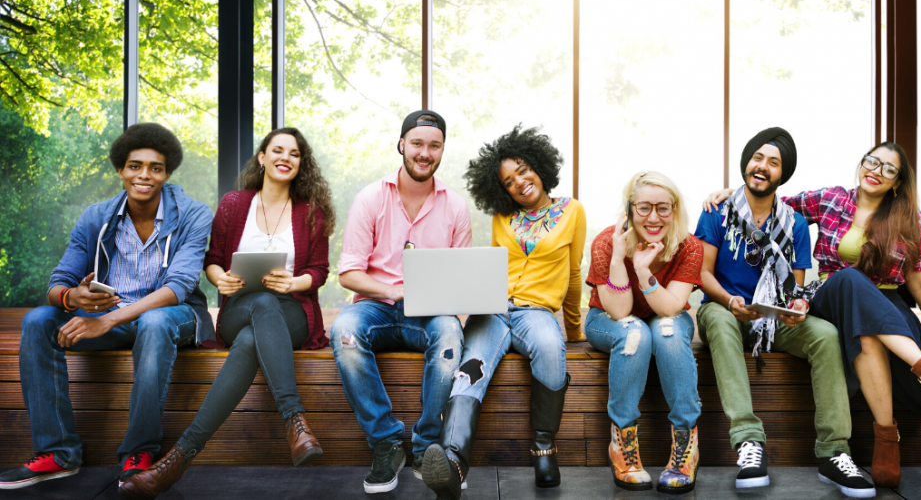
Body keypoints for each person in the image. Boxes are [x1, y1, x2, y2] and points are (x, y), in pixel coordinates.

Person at [704, 142, 921, 488]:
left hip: (885, 308)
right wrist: (736, 191)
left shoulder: (910, 220)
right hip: (830, 296)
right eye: (871, 162)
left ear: (897, 182)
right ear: (861, 164)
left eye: (888, 169)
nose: (875, 172)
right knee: (849, 278)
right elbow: (770, 203)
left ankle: (885, 438)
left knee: (865, 332)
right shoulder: (832, 199)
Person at [118, 128, 336, 500]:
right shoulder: (235, 204)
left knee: (260, 325)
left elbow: (318, 270)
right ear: (263, 158)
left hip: (293, 313)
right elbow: (212, 260)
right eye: (277, 150)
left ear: (301, 164)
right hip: (239, 308)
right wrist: (223, 279)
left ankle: (177, 460)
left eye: (294, 153)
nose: (285, 157)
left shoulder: (310, 211)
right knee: (259, 307)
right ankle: (294, 420)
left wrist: (294, 282)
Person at [0, 124, 215, 491]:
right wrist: (73, 299)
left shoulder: (194, 214)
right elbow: (58, 282)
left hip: (172, 317)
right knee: (38, 320)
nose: (144, 175)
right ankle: (58, 453)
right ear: (121, 170)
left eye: (155, 168)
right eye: (135, 166)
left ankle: (139, 452)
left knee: (154, 321)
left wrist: (106, 320)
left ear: (166, 174)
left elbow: (178, 287)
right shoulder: (95, 217)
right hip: (109, 317)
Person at [695, 128, 874, 498]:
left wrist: (796, 307)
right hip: (727, 310)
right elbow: (702, 274)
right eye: (757, 158)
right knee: (715, 316)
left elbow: (793, 286)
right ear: (746, 163)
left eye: (773, 162)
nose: (762, 167)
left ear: (783, 174)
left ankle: (833, 452)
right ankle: (748, 443)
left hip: (770, 320)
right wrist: (730, 300)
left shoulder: (793, 223)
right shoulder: (717, 211)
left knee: (824, 334)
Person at [422, 125, 585, 500]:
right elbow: (492, 267)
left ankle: (544, 447)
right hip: (492, 310)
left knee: (549, 346)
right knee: (470, 368)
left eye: (524, 170)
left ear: (539, 167)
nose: (520, 183)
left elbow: (574, 273)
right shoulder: (501, 216)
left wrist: (573, 329)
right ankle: (452, 463)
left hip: (537, 311)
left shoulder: (571, 211)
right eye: (509, 181)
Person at [331, 110, 471, 494]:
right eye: (417, 144)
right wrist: (394, 291)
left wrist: (455, 311)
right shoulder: (370, 198)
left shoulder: (456, 207)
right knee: (344, 329)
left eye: (434, 145)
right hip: (376, 306)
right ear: (401, 145)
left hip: (428, 314)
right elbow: (348, 274)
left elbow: (461, 281)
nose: (425, 153)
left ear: (442, 150)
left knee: (449, 332)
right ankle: (386, 442)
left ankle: (427, 446)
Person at [584, 171, 703, 494]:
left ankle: (685, 445)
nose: (653, 217)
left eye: (663, 208)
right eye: (644, 208)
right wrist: (623, 260)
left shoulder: (689, 246)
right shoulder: (607, 241)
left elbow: (671, 307)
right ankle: (622, 444)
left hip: (664, 313)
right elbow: (619, 312)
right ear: (629, 209)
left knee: (665, 331)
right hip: (606, 319)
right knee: (635, 332)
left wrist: (643, 270)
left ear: (675, 210)